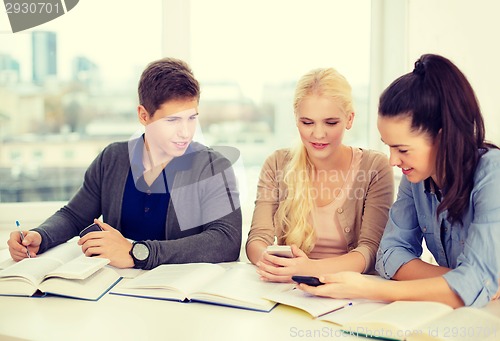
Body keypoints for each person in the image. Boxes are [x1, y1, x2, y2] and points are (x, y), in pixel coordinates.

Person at [298, 54, 500, 308]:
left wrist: (370, 288)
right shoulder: (417, 176)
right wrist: (468, 281)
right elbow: (389, 255)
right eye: (389, 147)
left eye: (403, 150)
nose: (393, 160)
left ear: (442, 137)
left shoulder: (492, 174)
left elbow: (475, 284)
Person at [7, 57, 242, 269]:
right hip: (114, 292)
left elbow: (226, 241)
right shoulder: (112, 159)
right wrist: (41, 236)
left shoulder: (213, 167)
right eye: (172, 120)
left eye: (192, 118)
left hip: (179, 296)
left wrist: (137, 253)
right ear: (143, 115)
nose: (185, 132)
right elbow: (74, 215)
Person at [245, 67, 394, 282]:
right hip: (290, 288)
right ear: (296, 119)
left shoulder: (375, 167)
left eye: (331, 123)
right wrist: (274, 263)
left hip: (351, 293)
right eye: (307, 123)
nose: (318, 134)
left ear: (350, 119)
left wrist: (310, 269)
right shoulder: (276, 164)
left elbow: (370, 251)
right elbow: (257, 240)